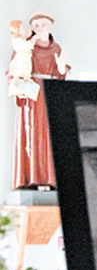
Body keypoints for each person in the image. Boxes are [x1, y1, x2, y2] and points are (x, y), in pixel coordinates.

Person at [5, 12, 68, 190]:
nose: (41, 29)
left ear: (50, 26)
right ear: (32, 28)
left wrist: (62, 68)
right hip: (31, 97)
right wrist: (17, 79)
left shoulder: (56, 49)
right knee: (31, 134)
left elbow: (61, 75)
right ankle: (30, 177)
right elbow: (13, 70)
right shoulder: (25, 48)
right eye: (37, 26)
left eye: (44, 25)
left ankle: (48, 178)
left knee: (49, 135)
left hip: (49, 95)